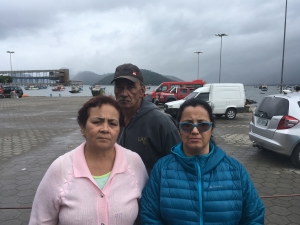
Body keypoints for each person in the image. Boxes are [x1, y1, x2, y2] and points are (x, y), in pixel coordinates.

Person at [140, 98, 265, 224]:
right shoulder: (162, 169)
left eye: (202, 125)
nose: (195, 131)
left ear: (211, 128)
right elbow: (149, 216)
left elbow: (254, 217)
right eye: (187, 125)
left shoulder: (235, 170)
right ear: (179, 128)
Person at [29, 96, 148, 225]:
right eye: (97, 122)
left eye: (112, 123)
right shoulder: (61, 168)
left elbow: (147, 212)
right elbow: (40, 220)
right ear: (82, 127)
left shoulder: (134, 162)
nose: (105, 129)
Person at [111, 63, 181, 174]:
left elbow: (179, 165)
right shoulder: (112, 120)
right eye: (119, 87)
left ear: (142, 91)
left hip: (152, 189)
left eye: (131, 87)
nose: (124, 93)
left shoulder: (161, 122)